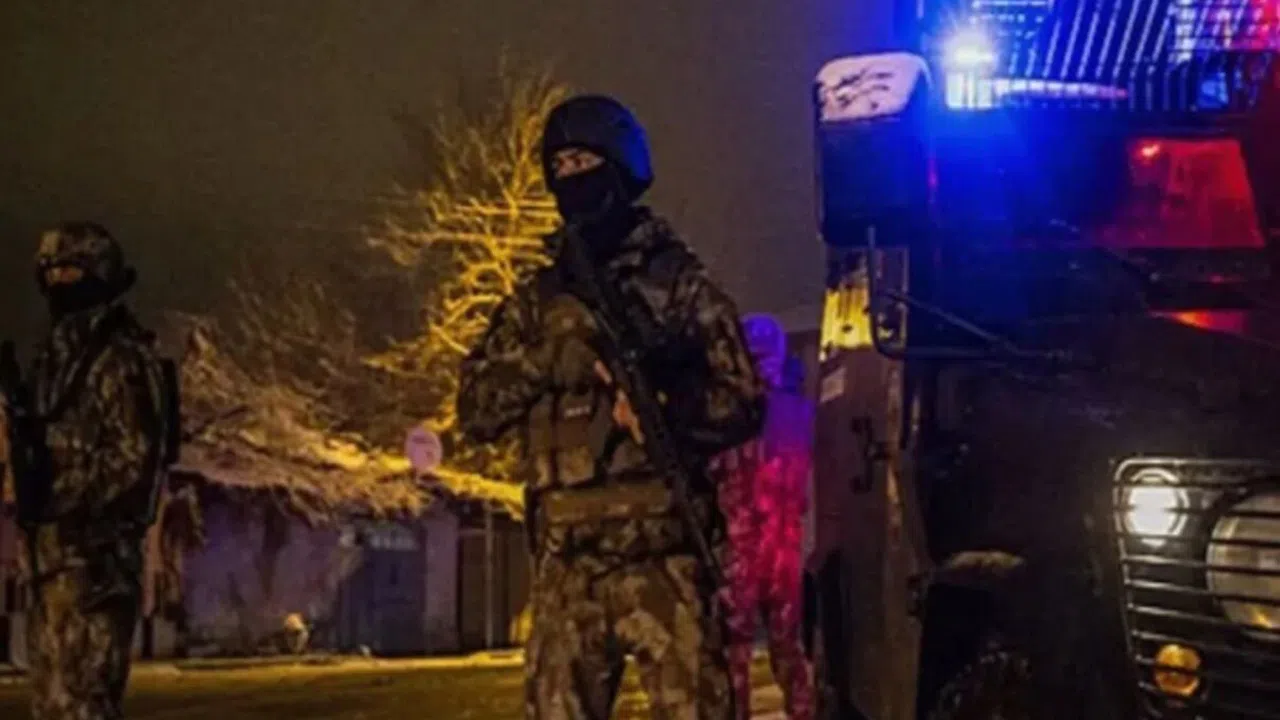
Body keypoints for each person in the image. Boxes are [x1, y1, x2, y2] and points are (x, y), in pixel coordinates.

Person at [458, 94, 766, 720]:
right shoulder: (536, 301)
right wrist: (549, 361)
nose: (572, 177)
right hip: (567, 566)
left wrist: (664, 406)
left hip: (663, 555)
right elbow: (475, 409)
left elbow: (742, 399)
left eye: (585, 161)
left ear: (621, 168)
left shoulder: (677, 286)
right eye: (560, 166)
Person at [15, 222, 175, 720]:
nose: (59, 282)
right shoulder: (53, 358)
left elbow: (135, 459)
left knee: (85, 705)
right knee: (52, 704)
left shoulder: (121, 358)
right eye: (51, 272)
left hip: (95, 562)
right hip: (49, 563)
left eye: (71, 271)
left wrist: (61, 498)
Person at [715, 314, 815, 720]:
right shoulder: (796, 412)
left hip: (758, 546)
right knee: (762, 651)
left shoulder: (731, 415)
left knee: (745, 653)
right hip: (769, 546)